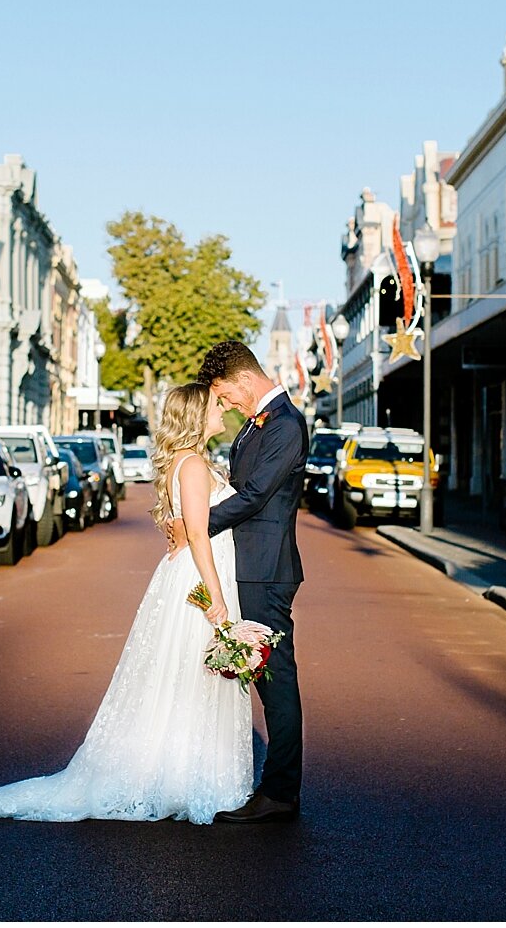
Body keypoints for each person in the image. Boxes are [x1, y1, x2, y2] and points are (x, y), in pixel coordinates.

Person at [0, 383, 251, 824]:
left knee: (181, 679)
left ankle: (181, 771)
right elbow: (196, 534)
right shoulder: (192, 464)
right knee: (193, 676)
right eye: (215, 405)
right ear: (196, 415)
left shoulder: (186, 461)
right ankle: (183, 776)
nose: (222, 411)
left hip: (188, 575)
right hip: (198, 580)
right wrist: (217, 599)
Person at [197, 339, 308, 823]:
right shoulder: (258, 424)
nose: (224, 404)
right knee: (259, 676)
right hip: (247, 565)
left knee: (274, 679)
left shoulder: (285, 424)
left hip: (265, 571)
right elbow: (245, 483)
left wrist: (198, 525)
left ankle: (280, 791)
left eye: (223, 394)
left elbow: (258, 494)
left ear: (244, 379)